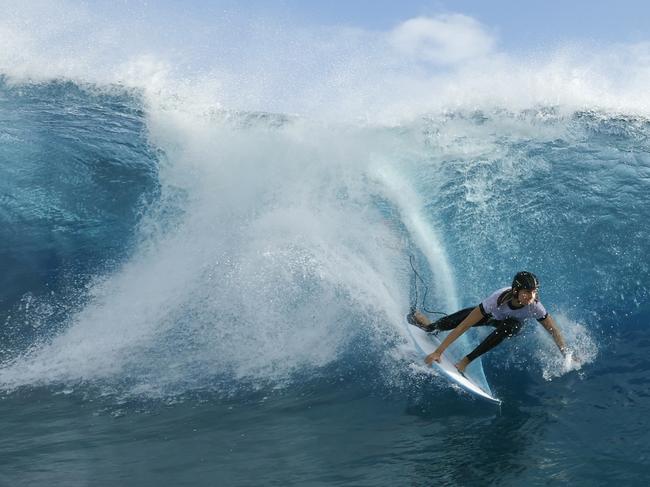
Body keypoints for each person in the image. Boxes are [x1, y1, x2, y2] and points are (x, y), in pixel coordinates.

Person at [407, 271, 568, 374]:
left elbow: (554, 330)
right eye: (527, 292)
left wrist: (566, 356)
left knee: (508, 326)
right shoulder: (497, 299)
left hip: (511, 327)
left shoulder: (536, 308)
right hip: (493, 318)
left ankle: (466, 361)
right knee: (446, 323)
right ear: (516, 291)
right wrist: (438, 352)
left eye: (534, 292)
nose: (531, 297)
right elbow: (465, 325)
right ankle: (429, 325)